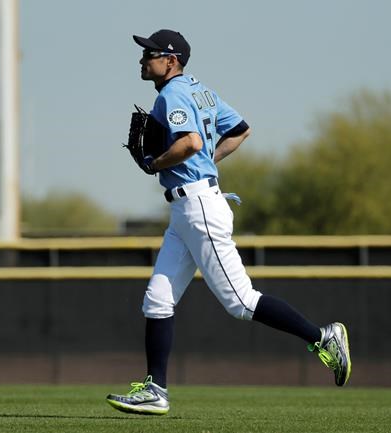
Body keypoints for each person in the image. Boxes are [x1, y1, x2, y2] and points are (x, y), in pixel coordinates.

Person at [106, 29, 352, 415]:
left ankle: (323, 337)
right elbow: (240, 130)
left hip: (198, 207)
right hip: (189, 206)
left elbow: (190, 144)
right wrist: (204, 167)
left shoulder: (172, 94)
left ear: (171, 60)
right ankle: (156, 390)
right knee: (157, 300)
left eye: (150, 54)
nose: (142, 59)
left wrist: (156, 163)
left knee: (240, 301)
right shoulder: (200, 89)